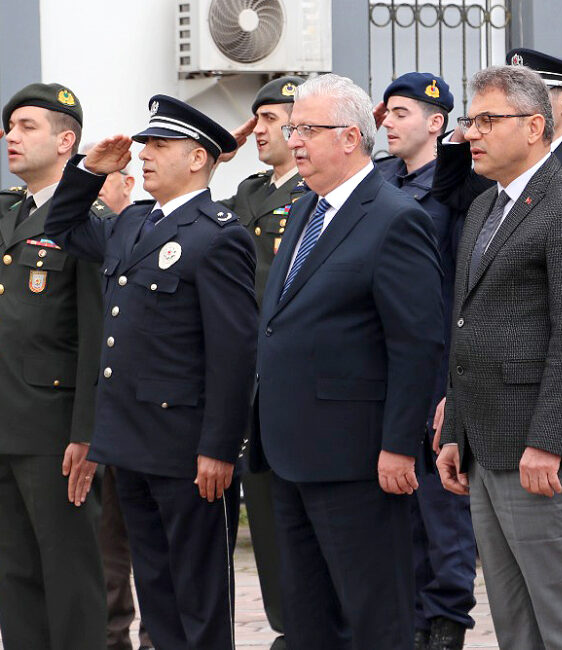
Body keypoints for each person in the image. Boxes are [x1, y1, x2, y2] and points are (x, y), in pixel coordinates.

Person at [431, 48, 562, 648]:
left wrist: (545, 442)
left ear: (535, 126)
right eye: (471, 120)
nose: (471, 133)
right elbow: (469, 329)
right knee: (516, 626)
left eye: (488, 120)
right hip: (488, 446)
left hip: (546, 454)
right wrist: (453, 433)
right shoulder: (484, 206)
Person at [45, 94, 257, 650]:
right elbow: (62, 227)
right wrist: (90, 170)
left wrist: (219, 447)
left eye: (160, 146)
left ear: (197, 158)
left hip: (186, 449)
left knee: (199, 595)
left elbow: (233, 354)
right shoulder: (133, 222)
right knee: (156, 589)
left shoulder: (218, 234)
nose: (144, 155)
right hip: (130, 442)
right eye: (146, 145)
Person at [248, 73, 444, 649]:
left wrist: (399, 444)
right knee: (307, 618)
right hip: (290, 451)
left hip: (356, 458)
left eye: (307, 129)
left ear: (352, 138)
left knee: (373, 614)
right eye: (292, 128)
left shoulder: (393, 216)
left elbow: (417, 343)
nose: (295, 140)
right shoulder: (308, 208)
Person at [0, 82, 108, 650]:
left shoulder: (85, 224)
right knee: (14, 575)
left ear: (67, 141)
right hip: (5, 422)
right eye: (9, 127)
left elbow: (98, 336)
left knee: (68, 573)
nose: (10, 137)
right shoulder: (6, 212)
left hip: (54, 428)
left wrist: (87, 432)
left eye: (26, 127)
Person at [374, 71, 477, 650]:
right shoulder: (380, 179)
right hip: (388, 364)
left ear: (437, 123)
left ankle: (446, 618)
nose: (387, 121)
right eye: (385, 112)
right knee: (400, 498)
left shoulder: (454, 185)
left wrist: (452, 388)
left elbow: (464, 288)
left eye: (402, 113)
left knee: (442, 504)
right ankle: (412, 613)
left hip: (438, 363)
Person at [217, 74, 307, 650]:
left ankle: (301, 626)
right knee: (263, 522)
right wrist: (212, 156)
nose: (260, 130)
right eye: (260, 119)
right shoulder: (247, 192)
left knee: (289, 515)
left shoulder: (316, 194)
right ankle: (283, 625)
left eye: (271, 119)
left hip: (288, 382)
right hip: (239, 383)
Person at [78, 144, 155, 650]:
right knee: (108, 545)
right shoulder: (96, 233)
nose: (99, 190)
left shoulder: (147, 231)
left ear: (129, 183)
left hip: (152, 419)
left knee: (154, 546)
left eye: (108, 178)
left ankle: (157, 637)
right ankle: (112, 637)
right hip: (101, 416)